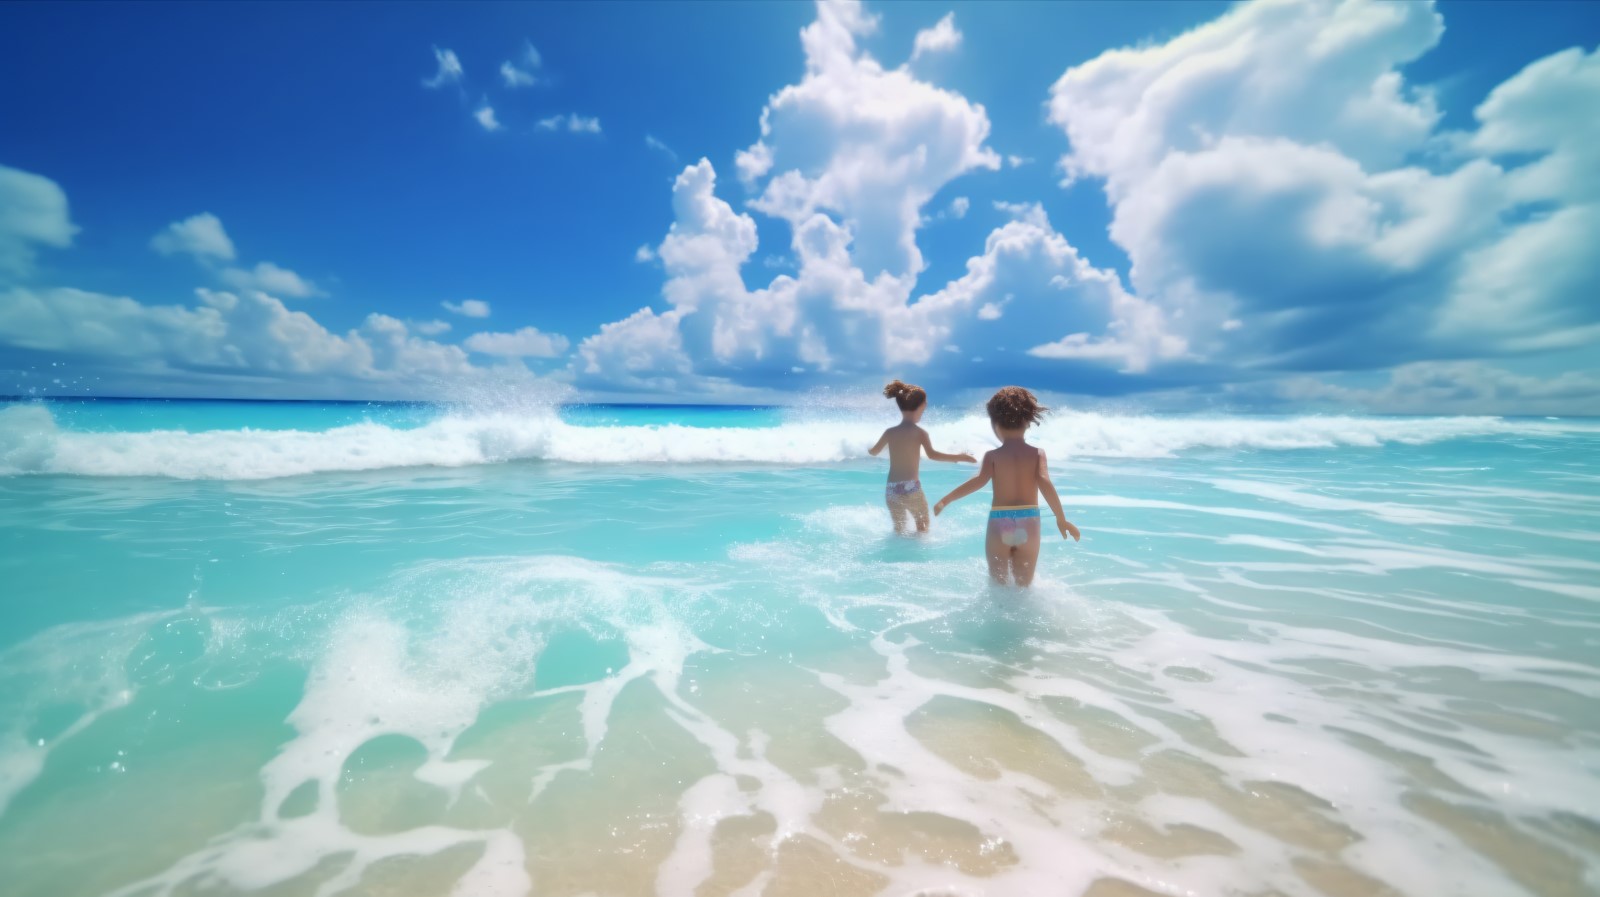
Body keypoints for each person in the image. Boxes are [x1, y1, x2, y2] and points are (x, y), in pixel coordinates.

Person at [933, 386, 1080, 585]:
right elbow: (1045, 483)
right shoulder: (1037, 453)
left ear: (995, 424)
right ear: (1028, 422)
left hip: (1000, 523)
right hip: (1029, 522)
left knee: (998, 586)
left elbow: (979, 481)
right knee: (1023, 588)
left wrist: (946, 499)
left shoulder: (993, 456)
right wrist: (1061, 519)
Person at [869, 380, 976, 534]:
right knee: (923, 527)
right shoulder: (919, 433)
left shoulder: (890, 432)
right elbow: (933, 455)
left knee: (899, 530)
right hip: (911, 488)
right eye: (924, 406)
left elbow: (873, 451)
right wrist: (961, 457)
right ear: (920, 407)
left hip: (891, 489)